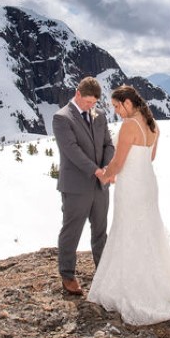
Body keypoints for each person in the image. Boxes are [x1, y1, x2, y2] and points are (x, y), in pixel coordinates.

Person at [87, 85, 170, 327]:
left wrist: (105, 175)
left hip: (132, 186)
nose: (116, 111)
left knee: (127, 228)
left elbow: (118, 162)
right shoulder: (152, 125)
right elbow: (149, 157)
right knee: (147, 229)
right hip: (147, 183)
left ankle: (132, 284)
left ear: (128, 103)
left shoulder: (130, 125)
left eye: (117, 106)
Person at [53, 76, 115, 296]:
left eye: (94, 103)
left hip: (100, 186)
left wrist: (107, 167)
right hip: (76, 186)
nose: (91, 106)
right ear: (78, 94)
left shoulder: (100, 117)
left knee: (100, 232)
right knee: (72, 231)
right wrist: (96, 171)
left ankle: (104, 273)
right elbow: (72, 151)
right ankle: (67, 276)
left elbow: (108, 144)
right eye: (88, 102)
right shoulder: (62, 118)